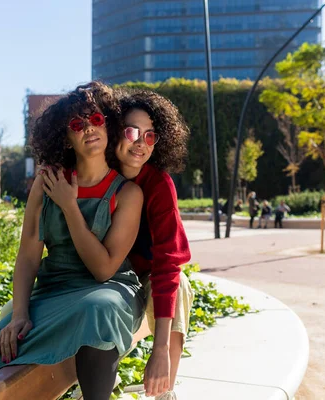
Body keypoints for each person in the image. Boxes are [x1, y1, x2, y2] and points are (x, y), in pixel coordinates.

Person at [0, 82, 146, 400]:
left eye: (95, 119)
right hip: (54, 292)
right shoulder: (46, 183)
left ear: (109, 123)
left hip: (109, 290)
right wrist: (20, 313)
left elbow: (103, 269)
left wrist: (69, 206)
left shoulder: (128, 193)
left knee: (98, 310)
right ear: (66, 137)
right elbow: (28, 258)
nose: (88, 128)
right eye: (77, 124)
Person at [114, 89, 193, 400]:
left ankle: (163, 390)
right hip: (102, 274)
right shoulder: (96, 174)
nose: (140, 143)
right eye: (132, 131)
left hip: (143, 275)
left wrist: (159, 349)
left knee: (180, 287)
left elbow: (167, 263)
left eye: (150, 136)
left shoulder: (158, 184)